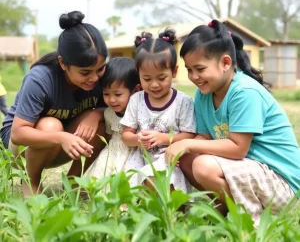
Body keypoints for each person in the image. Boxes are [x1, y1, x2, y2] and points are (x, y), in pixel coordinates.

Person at [165, 19, 300, 225]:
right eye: (189, 69)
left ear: (226, 63)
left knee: (202, 165)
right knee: (187, 158)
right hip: (250, 173)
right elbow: (206, 138)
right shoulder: (204, 94)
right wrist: (181, 147)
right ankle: (225, 209)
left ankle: (247, 219)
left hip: (280, 184)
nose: (194, 76)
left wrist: (187, 142)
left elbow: (238, 148)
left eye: (199, 69)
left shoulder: (244, 92)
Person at [0, 10, 108, 196]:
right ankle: (31, 182)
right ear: (63, 63)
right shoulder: (41, 79)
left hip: (64, 142)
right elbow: (18, 133)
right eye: (85, 72)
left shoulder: (103, 77)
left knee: (105, 121)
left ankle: (73, 183)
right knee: (51, 125)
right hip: (23, 145)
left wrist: (96, 114)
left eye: (100, 69)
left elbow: (120, 107)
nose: (94, 78)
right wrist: (61, 137)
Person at [121, 28, 196, 194]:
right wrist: (137, 139)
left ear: (174, 72)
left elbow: (189, 135)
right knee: (128, 185)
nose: (154, 84)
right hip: (141, 158)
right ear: (139, 74)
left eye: (161, 78)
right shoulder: (136, 100)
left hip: (170, 158)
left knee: (160, 182)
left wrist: (162, 138)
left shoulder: (183, 102)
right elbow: (126, 135)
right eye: (146, 79)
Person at [86, 57, 144, 187]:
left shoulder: (142, 113)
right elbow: (109, 135)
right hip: (113, 150)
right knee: (99, 179)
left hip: (134, 152)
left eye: (118, 94)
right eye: (106, 94)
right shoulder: (108, 113)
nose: (111, 100)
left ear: (136, 90)